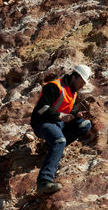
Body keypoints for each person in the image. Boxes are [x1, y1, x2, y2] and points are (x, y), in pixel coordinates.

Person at [30, 65, 92, 194]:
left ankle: (49, 147)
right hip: (43, 122)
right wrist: (59, 116)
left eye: (83, 84)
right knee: (59, 141)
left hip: (58, 123)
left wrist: (75, 116)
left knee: (85, 124)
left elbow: (64, 112)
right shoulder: (54, 86)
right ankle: (44, 181)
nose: (81, 86)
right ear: (73, 77)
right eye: (80, 82)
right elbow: (41, 108)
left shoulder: (72, 92)